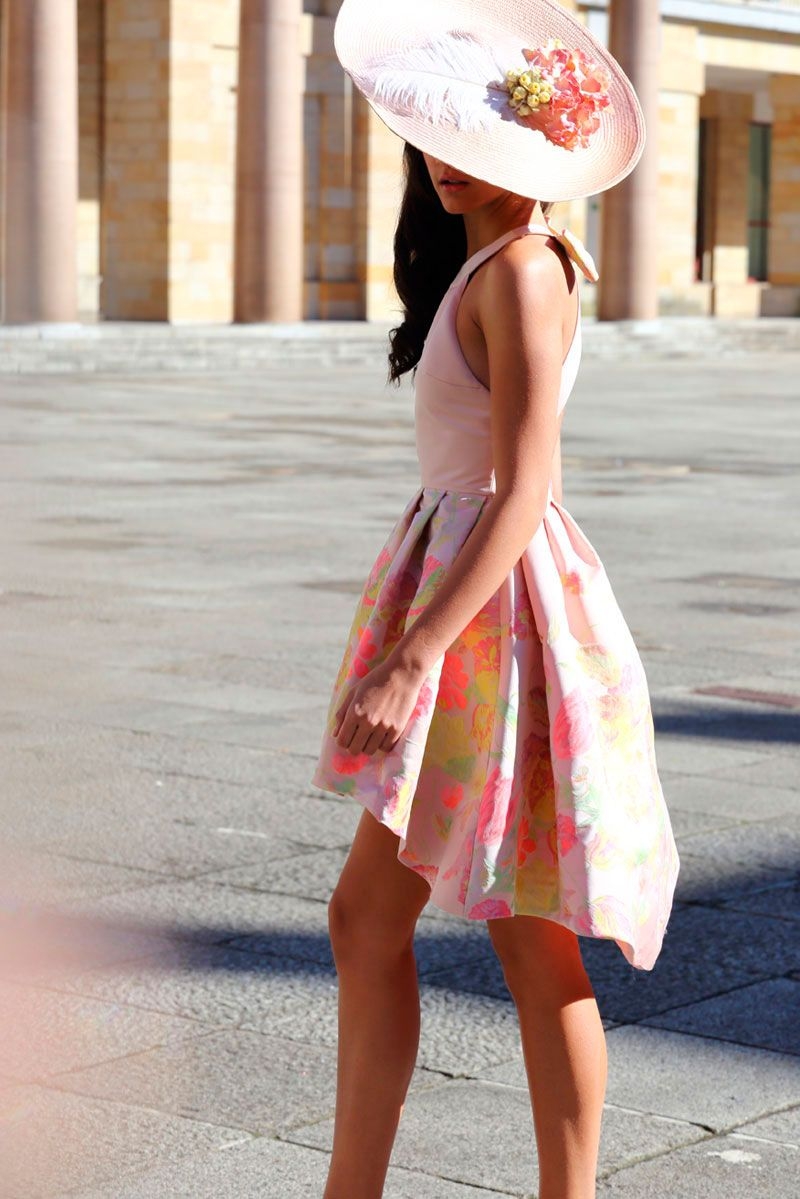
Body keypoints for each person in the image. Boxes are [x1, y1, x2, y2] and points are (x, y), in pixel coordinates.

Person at [311, 2, 681, 1196]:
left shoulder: (524, 268)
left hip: (488, 626)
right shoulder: (500, 261)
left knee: (506, 936)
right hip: (483, 607)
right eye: (432, 131)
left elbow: (523, 488)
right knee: (428, 926)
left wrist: (414, 654)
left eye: (470, 135)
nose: (440, 157)